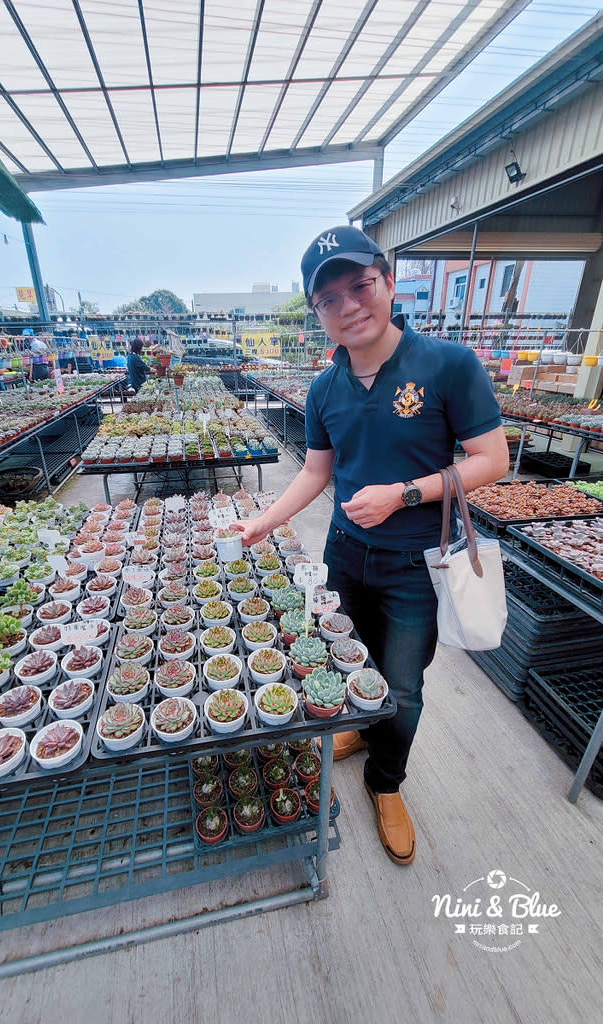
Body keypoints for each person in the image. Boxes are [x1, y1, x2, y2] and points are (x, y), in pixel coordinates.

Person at [234, 225, 509, 866]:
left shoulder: (446, 364)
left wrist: (403, 494)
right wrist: (264, 523)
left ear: (385, 281)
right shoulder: (323, 388)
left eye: (360, 285)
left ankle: (387, 784)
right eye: (329, 298)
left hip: (417, 562)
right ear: (317, 312)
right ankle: (356, 725)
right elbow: (315, 470)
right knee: (342, 660)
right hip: (345, 553)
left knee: (405, 686)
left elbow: (491, 459)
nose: (349, 305)